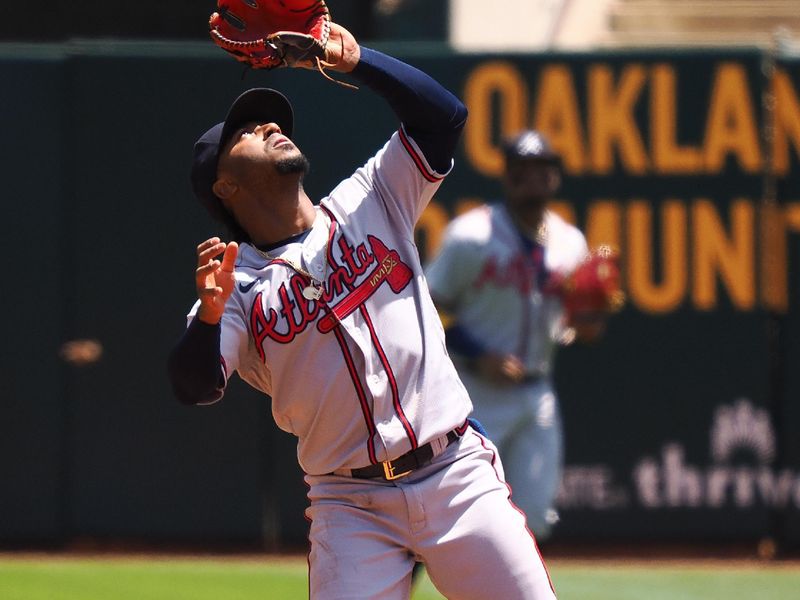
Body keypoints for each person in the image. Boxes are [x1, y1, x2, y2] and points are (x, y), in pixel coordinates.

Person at [167, 22, 556, 600]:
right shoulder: (234, 287)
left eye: (270, 120)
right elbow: (195, 386)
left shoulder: (371, 198)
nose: (270, 126)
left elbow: (444, 118)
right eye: (246, 132)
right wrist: (207, 318)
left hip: (456, 476)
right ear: (224, 186)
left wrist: (353, 61)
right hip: (350, 507)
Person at [425, 129, 607, 541]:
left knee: (535, 519)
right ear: (507, 176)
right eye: (522, 169)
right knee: (449, 510)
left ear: (554, 177)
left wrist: (586, 325)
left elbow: (575, 326)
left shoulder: (570, 242)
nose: (533, 179)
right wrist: (476, 353)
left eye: (542, 169)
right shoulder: (470, 236)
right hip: (475, 392)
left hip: (537, 393)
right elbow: (424, 312)